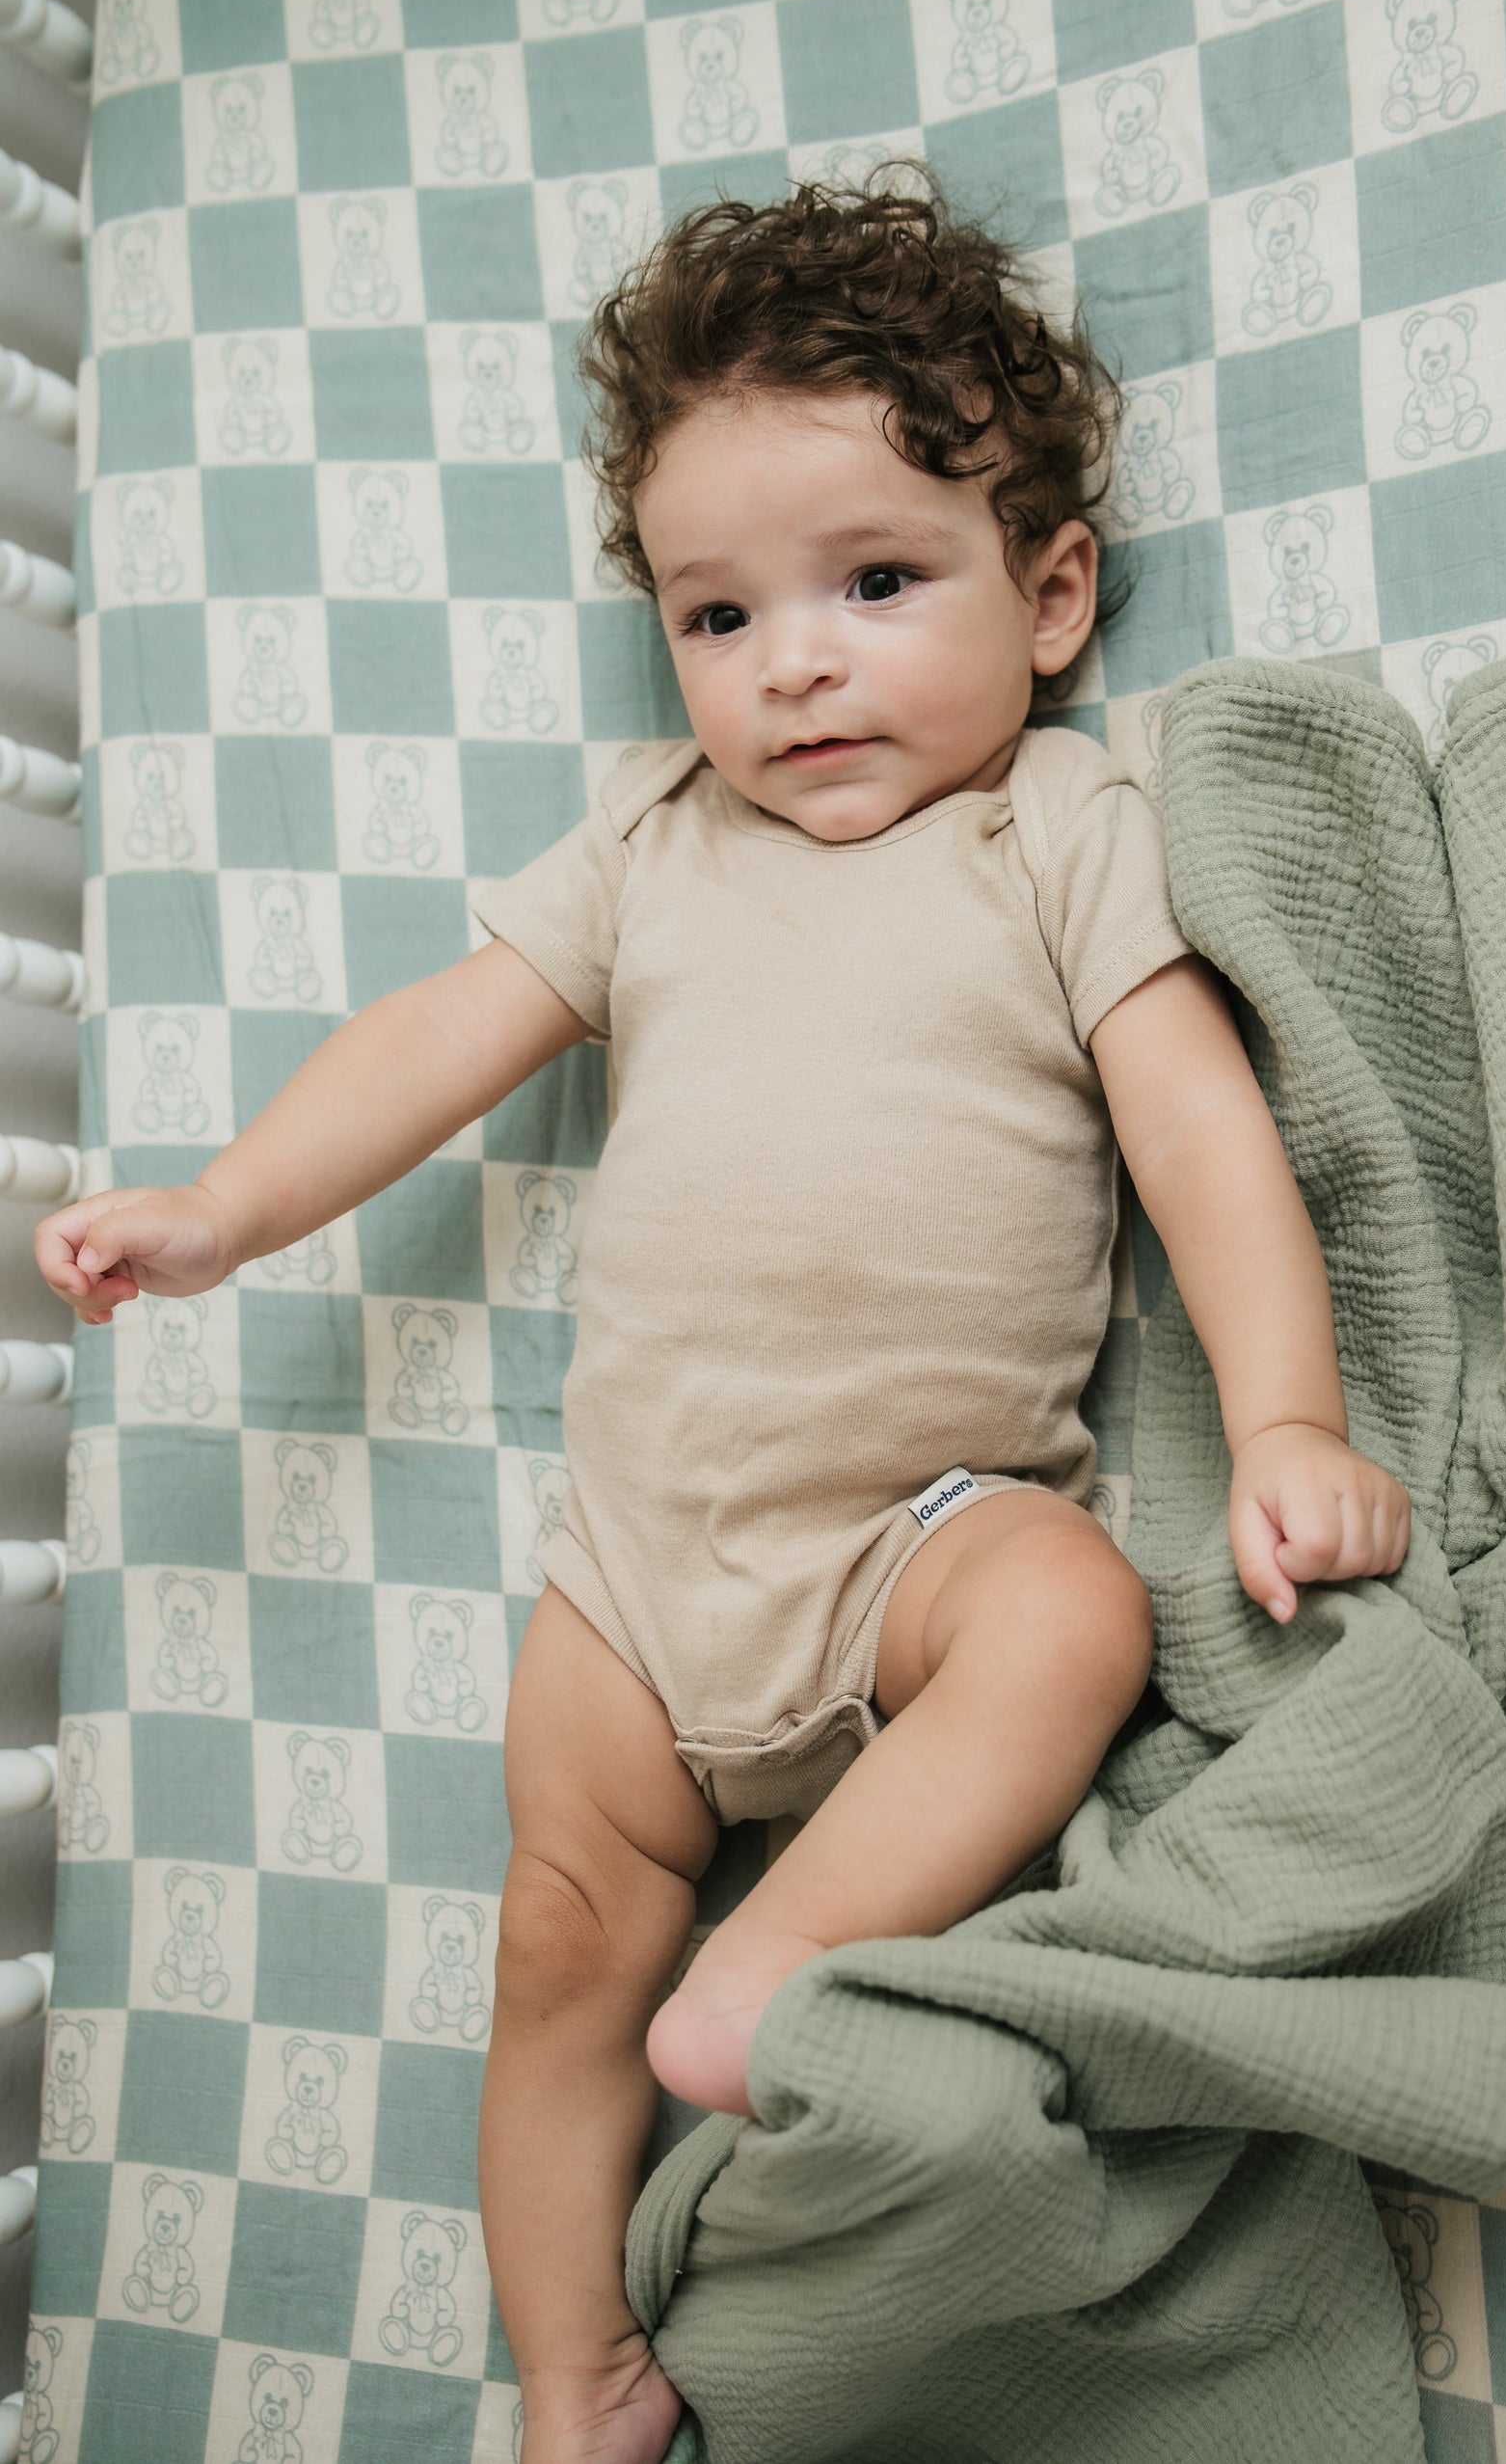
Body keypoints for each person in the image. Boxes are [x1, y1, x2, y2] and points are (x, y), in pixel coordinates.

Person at [38, 170, 1412, 2464]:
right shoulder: (649, 841)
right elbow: (436, 1036)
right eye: (716, 612)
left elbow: (1200, 1138)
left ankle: (783, 1952)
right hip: (637, 1574)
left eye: (875, 584)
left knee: (1072, 1615)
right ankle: (572, 2365)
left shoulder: (1056, 833)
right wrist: (223, 1207)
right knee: (556, 1934)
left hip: (914, 1531)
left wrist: (1282, 1419)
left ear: (1048, 594)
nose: (790, 663)